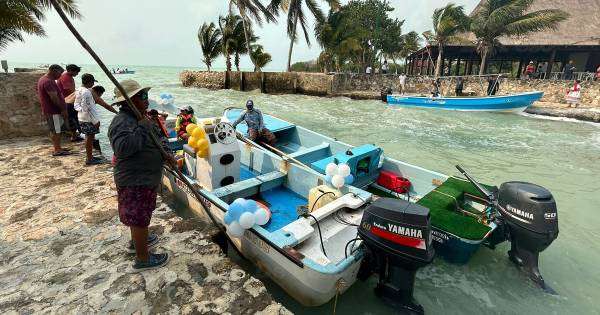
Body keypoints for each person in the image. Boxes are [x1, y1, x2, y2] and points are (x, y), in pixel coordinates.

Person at [108, 79, 174, 270]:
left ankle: (137, 242)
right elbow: (122, 149)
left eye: (146, 95)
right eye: (142, 96)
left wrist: (166, 154)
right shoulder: (122, 121)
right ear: (129, 101)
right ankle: (143, 258)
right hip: (135, 179)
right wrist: (143, 128)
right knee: (138, 217)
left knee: (141, 215)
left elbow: (156, 138)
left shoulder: (140, 117)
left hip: (145, 177)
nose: (147, 100)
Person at [74, 74, 114, 165]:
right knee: (90, 137)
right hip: (88, 119)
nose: (93, 84)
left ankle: (90, 156)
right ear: (90, 81)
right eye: (92, 82)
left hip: (81, 117)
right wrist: (95, 121)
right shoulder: (87, 92)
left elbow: (78, 105)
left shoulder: (79, 90)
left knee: (88, 137)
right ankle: (89, 159)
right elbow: (88, 108)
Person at [37, 64, 71, 156]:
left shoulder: (43, 79)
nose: (60, 75)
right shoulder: (48, 82)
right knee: (56, 131)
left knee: (55, 130)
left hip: (50, 110)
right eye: (60, 73)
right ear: (54, 70)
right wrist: (62, 109)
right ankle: (57, 150)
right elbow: (54, 97)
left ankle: (58, 147)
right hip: (54, 111)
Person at [57, 64, 82, 142]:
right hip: (67, 101)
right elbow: (68, 90)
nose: (77, 74)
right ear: (71, 71)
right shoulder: (65, 77)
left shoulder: (68, 77)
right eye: (76, 72)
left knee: (73, 117)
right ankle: (73, 136)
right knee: (71, 118)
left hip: (69, 100)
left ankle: (74, 134)